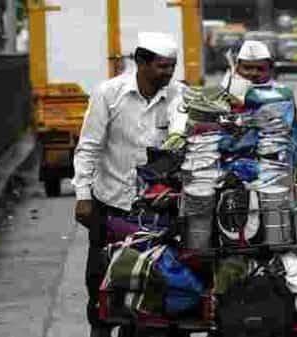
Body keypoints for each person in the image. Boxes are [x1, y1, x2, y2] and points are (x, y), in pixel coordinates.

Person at [71, 32, 181, 337]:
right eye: (162, 66)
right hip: (111, 203)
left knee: (151, 286)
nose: (169, 73)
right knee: (101, 285)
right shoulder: (109, 93)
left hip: (157, 209)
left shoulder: (177, 96)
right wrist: (83, 195)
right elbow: (88, 147)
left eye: (172, 66)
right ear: (141, 63)